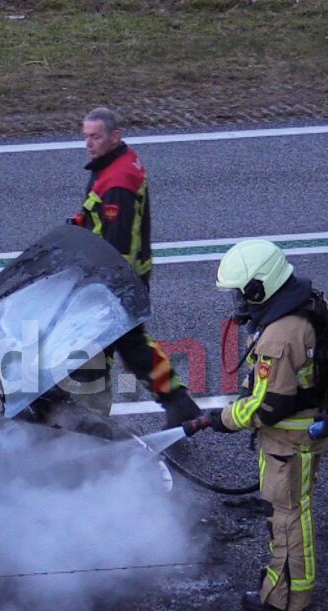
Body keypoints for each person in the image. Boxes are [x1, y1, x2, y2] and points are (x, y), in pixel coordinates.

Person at [184, 238, 328, 611]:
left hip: (288, 443)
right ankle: (291, 589)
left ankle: (288, 602)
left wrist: (222, 419)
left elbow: (269, 406)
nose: (239, 302)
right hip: (299, 436)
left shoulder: (280, 335)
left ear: (259, 286)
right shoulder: (300, 304)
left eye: (241, 293)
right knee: (292, 513)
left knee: (287, 518)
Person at [69, 107, 200, 428]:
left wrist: (101, 287)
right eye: (85, 136)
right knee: (132, 344)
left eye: (95, 136)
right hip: (127, 278)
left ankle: (91, 420)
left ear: (115, 137)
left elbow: (117, 244)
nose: (88, 143)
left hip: (116, 281)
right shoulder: (118, 164)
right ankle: (178, 403)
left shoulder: (117, 182)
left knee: (97, 346)